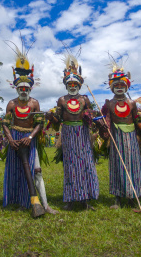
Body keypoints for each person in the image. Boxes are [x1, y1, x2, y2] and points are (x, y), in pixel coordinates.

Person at [0, 43, 57, 217]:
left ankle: (44, 204)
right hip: (15, 139)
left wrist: (31, 137)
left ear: (30, 89)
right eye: (20, 88)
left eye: (26, 88)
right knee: (15, 170)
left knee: (36, 170)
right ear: (16, 88)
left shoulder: (34, 103)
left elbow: (39, 124)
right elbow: (5, 124)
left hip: (29, 139)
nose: (23, 91)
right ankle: (18, 201)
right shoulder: (11, 104)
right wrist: (10, 140)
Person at [46, 54, 99, 210]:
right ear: (66, 84)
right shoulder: (62, 100)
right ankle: (70, 199)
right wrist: (50, 117)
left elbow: (91, 118)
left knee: (85, 164)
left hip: (82, 133)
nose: (73, 85)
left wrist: (92, 118)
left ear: (80, 84)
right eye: (70, 83)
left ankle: (85, 200)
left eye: (75, 83)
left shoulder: (85, 99)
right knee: (70, 165)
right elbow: (57, 122)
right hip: (68, 133)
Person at [97, 60, 141, 209]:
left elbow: (137, 119)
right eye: (116, 85)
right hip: (116, 137)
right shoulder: (109, 104)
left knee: (133, 165)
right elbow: (106, 122)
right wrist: (104, 130)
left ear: (127, 86)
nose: (119, 88)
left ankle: (133, 197)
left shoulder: (132, 103)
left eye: (122, 85)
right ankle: (118, 198)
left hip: (131, 137)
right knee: (117, 165)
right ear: (112, 88)